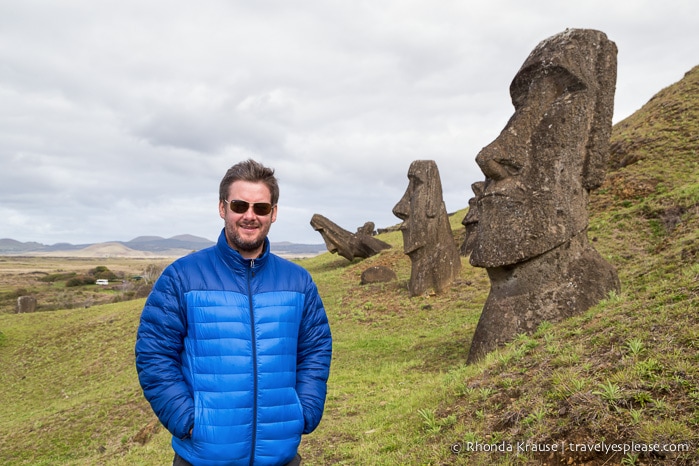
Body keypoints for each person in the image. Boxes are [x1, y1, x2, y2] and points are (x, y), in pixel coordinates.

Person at [135, 159, 332, 466]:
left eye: (261, 208)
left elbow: (316, 350)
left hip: (280, 457)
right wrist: (188, 420)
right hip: (201, 457)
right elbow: (154, 355)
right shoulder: (182, 277)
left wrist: (304, 411)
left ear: (274, 213)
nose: (250, 216)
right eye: (240, 205)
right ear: (222, 208)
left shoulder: (298, 281)